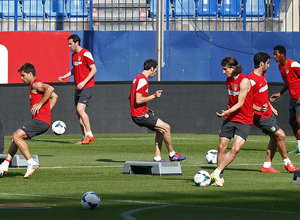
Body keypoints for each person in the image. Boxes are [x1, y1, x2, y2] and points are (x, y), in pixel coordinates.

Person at [0, 63, 58, 178]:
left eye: (23, 75)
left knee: (17, 137)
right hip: (42, 119)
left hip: (40, 121)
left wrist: (40, 104)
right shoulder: (35, 86)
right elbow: (55, 96)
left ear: (30, 74)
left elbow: (50, 88)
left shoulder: (35, 84)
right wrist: (45, 110)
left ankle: (31, 162)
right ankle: (5, 165)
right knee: (15, 137)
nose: (21, 78)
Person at [248, 52, 298, 173]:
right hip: (259, 117)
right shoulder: (251, 80)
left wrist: (271, 107)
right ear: (261, 64)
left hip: (268, 113)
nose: (269, 66)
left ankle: (266, 165)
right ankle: (288, 163)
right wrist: (258, 109)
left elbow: (263, 97)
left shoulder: (262, 76)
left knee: (274, 138)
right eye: (267, 63)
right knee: (281, 135)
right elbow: (245, 101)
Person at [129, 59, 186, 162]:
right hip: (140, 115)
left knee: (160, 130)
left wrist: (145, 108)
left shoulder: (137, 79)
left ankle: (157, 157)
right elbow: (138, 100)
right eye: (155, 71)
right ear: (151, 68)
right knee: (167, 127)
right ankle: (172, 154)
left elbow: (131, 98)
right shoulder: (142, 80)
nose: (155, 73)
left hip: (139, 113)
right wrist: (154, 96)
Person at [210, 56, 253, 187]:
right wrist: (227, 114)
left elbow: (240, 104)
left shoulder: (244, 81)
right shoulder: (228, 79)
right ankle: (219, 177)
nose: (223, 72)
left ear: (232, 68)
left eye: (225, 69)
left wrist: (226, 112)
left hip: (244, 119)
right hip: (230, 118)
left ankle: (216, 172)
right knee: (221, 147)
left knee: (235, 149)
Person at [59, 34, 97, 145]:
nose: (69, 46)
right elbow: (74, 69)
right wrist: (64, 76)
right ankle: (85, 137)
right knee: (78, 112)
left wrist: (84, 82)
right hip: (78, 87)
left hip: (87, 86)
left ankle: (90, 134)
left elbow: (94, 70)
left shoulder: (86, 53)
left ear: (77, 43)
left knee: (80, 109)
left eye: (70, 44)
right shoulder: (74, 55)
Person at [271, 45, 300, 154]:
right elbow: (289, 82)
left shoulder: (293, 64)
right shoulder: (280, 67)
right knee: (292, 121)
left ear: (282, 54)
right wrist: (280, 93)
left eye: (276, 54)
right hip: (293, 97)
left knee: (298, 120)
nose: (274, 56)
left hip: (299, 97)